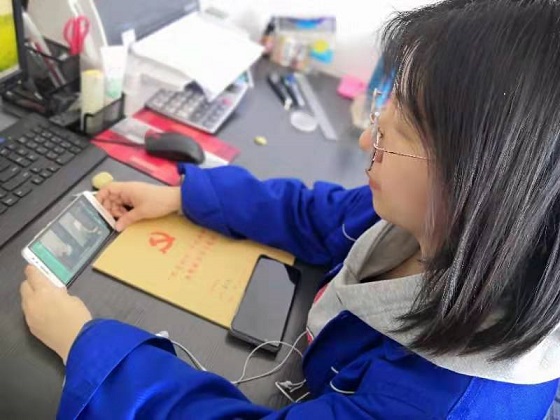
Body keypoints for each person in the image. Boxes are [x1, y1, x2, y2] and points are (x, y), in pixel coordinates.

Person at [19, 0, 560, 417]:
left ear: (475, 182)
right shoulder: (441, 226)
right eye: (381, 114)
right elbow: (317, 214)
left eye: (390, 134)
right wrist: (185, 196)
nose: (365, 138)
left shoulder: (441, 404)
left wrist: (88, 347)